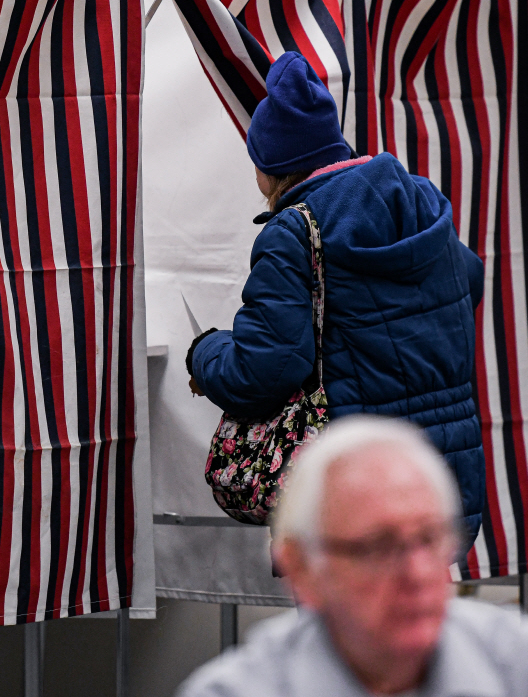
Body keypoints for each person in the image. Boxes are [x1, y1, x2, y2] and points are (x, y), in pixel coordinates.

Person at [186, 52, 485, 542]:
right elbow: (468, 279)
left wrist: (205, 353)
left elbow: (264, 369)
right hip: (442, 477)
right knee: (420, 588)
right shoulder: (420, 199)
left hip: (356, 483)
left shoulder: (293, 233)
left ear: (272, 164)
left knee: (353, 593)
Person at [177, 416, 528, 697]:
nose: (418, 573)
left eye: (429, 538)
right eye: (379, 548)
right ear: (301, 568)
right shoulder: (237, 689)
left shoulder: (514, 662)